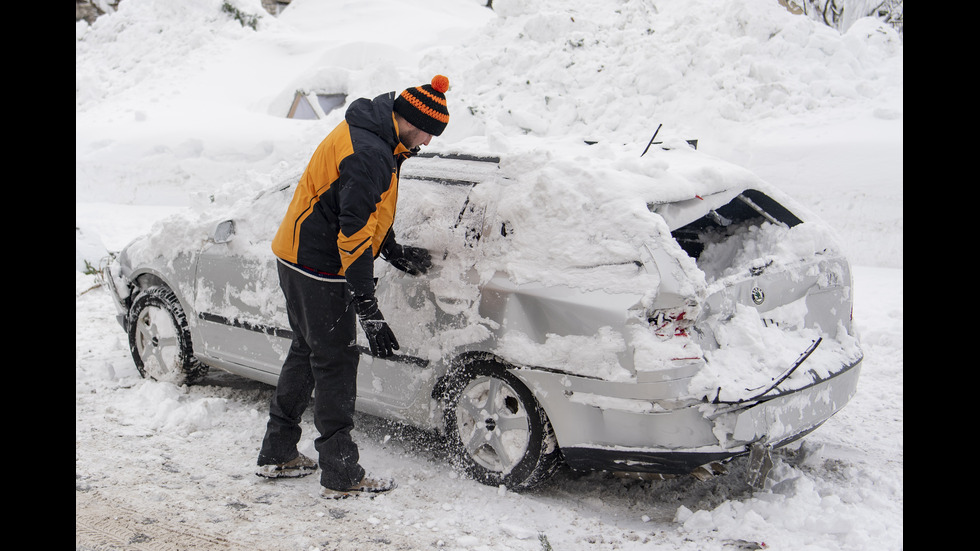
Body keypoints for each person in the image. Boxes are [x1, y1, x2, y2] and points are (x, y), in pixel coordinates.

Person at [255, 75, 449, 499]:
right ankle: (341, 474)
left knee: (307, 352)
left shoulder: (373, 133)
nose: (430, 143)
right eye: (430, 133)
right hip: (319, 266)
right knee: (336, 366)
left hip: (297, 254)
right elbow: (353, 232)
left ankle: (278, 451)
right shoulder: (370, 152)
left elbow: (362, 207)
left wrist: (392, 248)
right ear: (412, 121)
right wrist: (368, 306)